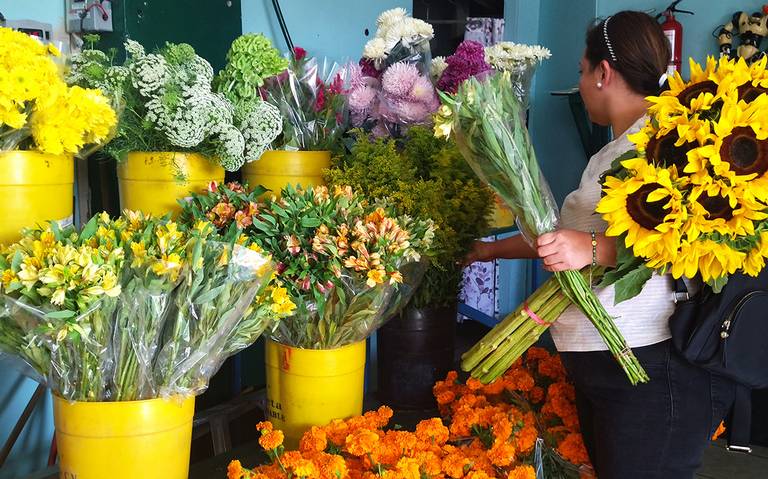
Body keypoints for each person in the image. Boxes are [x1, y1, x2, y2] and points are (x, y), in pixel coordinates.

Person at [465, 11, 735, 479]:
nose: (583, 83)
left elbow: (681, 240)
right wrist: (488, 251)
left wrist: (591, 249)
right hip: (612, 366)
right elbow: (569, 241)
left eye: (581, 72)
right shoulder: (616, 149)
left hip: (653, 365)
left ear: (603, 72)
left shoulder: (669, 144)